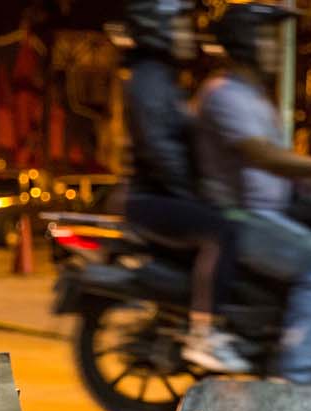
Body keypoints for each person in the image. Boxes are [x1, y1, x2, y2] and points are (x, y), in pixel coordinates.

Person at [193, 1, 311, 383]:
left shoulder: (254, 97)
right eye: (267, 37)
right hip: (244, 219)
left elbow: (281, 164)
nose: (276, 46)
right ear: (245, 42)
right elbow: (265, 157)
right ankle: (294, 374)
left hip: (271, 216)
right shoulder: (224, 94)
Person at [122, 0, 242, 372]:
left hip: (157, 192)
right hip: (152, 197)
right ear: (157, 29)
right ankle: (204, 334)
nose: (188, 33)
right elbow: (161, 149)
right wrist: (195, 194)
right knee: (220, 231)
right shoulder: (149, 81)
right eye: (179, 25)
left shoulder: (160, 78)